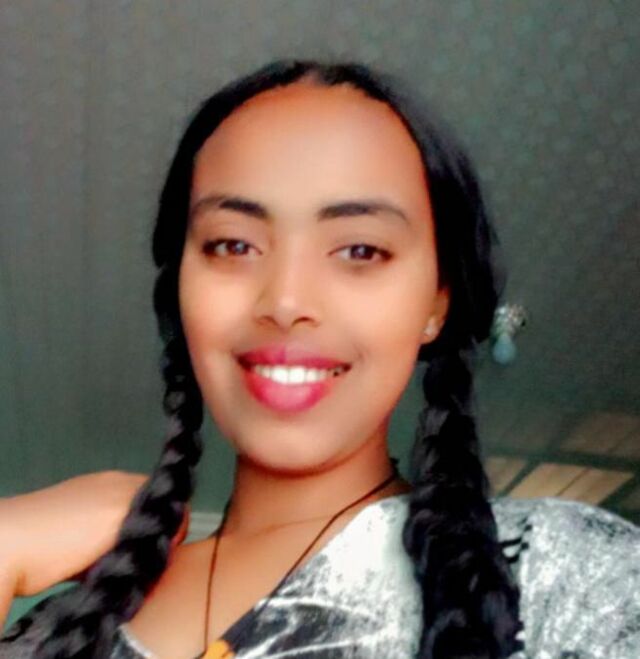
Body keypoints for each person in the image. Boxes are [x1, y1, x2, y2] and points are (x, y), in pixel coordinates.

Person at [1, 58, 639, 659]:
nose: (285, 301)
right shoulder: (70, 625)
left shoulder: (567, 572)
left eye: (360, 250)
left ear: (436, 302)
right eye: (233, 245)